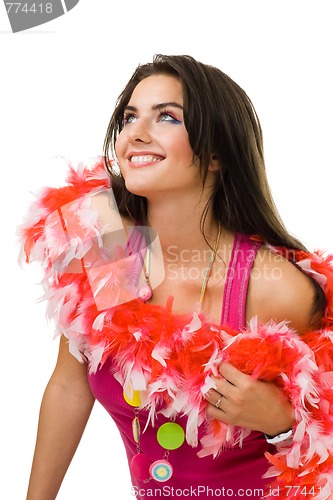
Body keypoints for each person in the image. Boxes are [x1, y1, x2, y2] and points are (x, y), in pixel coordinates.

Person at [21, 54, 333, 500]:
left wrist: (283, 424)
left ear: (215, 156)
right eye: (130, 116)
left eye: (167, 116)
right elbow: (71, 386)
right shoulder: (110, 247)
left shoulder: (271, 287)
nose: (137, 132)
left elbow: (322, 449)